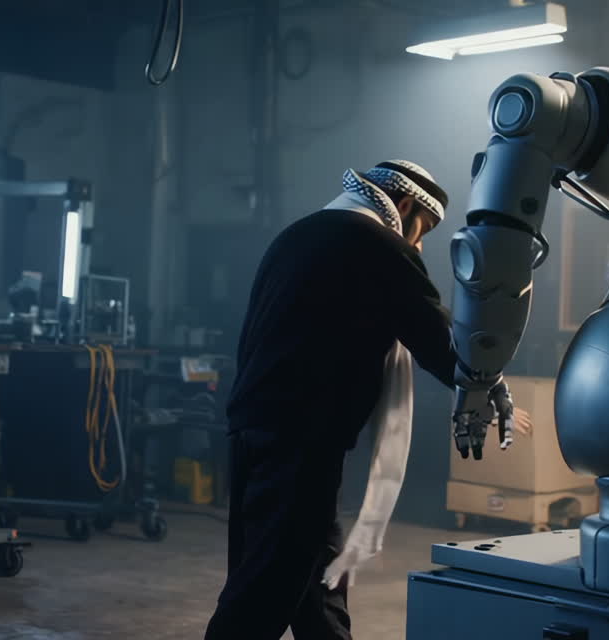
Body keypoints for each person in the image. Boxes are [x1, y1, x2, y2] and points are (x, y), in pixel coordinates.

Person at [204, 160, 516, 640]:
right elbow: (438, 337)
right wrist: (487, 378)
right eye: (423, 229)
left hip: (253, 429)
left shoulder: (299, 234)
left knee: (317, 582)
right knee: (261, 592)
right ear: (405, 205)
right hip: (300, 441)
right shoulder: (375, 243)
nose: (419, 243)